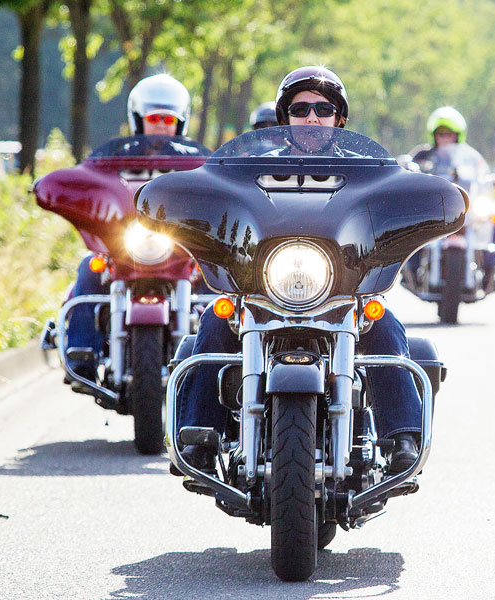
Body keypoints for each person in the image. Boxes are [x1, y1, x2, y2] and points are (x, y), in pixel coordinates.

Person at [173, 65, 423, 479]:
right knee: (215, 321)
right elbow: (221, 202)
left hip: (342, 289)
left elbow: (391, 204)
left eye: (323, 109)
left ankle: (403, 437)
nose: (312, 117)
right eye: (301, 108)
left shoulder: (370, 169)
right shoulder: (250, 169)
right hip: (264, 287)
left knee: (385, 326)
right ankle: (198, 435)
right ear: (284, 117)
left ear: (339, 118)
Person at [65, 73, 194, 380]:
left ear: (181, 121)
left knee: (217, 285)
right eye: (154, 117)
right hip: (127, 242)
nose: (162, 124)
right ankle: (81, 351)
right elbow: (90, 181)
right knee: (89, 267)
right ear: (138, 119)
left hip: (177, 246)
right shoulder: (115, 157)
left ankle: (214, 360)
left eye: (169, 118)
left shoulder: (193, 160)